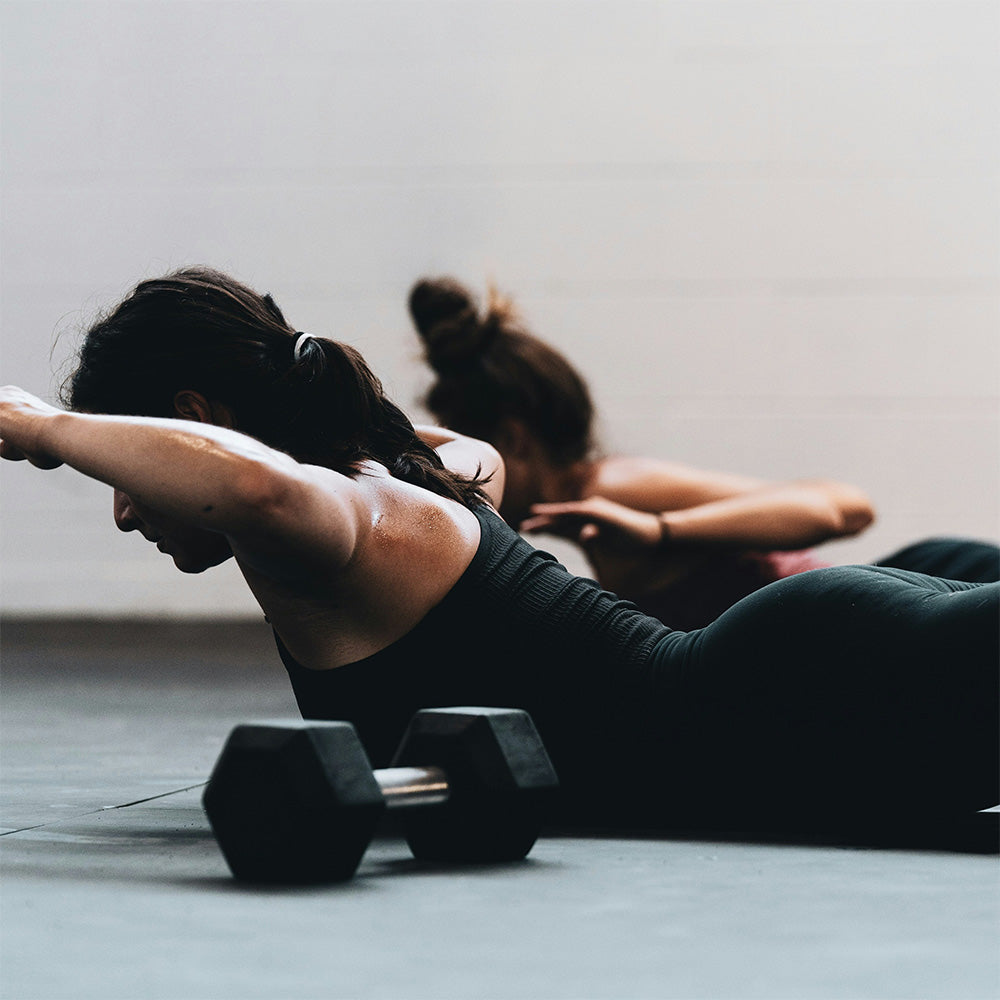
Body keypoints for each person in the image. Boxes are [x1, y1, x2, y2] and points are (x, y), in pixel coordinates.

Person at [2, 268, 997, 836]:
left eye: (127, 465)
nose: (128, 509)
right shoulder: (426, 472)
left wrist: (41, 428)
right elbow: (303, 461)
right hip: (800, 709)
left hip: (793, 702)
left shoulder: (341, 522)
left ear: (194, 420)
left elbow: (253, 483)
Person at [408, 277, 999, 629]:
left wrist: (661, 531)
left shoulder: (614, 488)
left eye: (464, 456)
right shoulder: (592, 521)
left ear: (513, 440)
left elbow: (843, 508)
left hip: (922, 595)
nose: (457, 481)